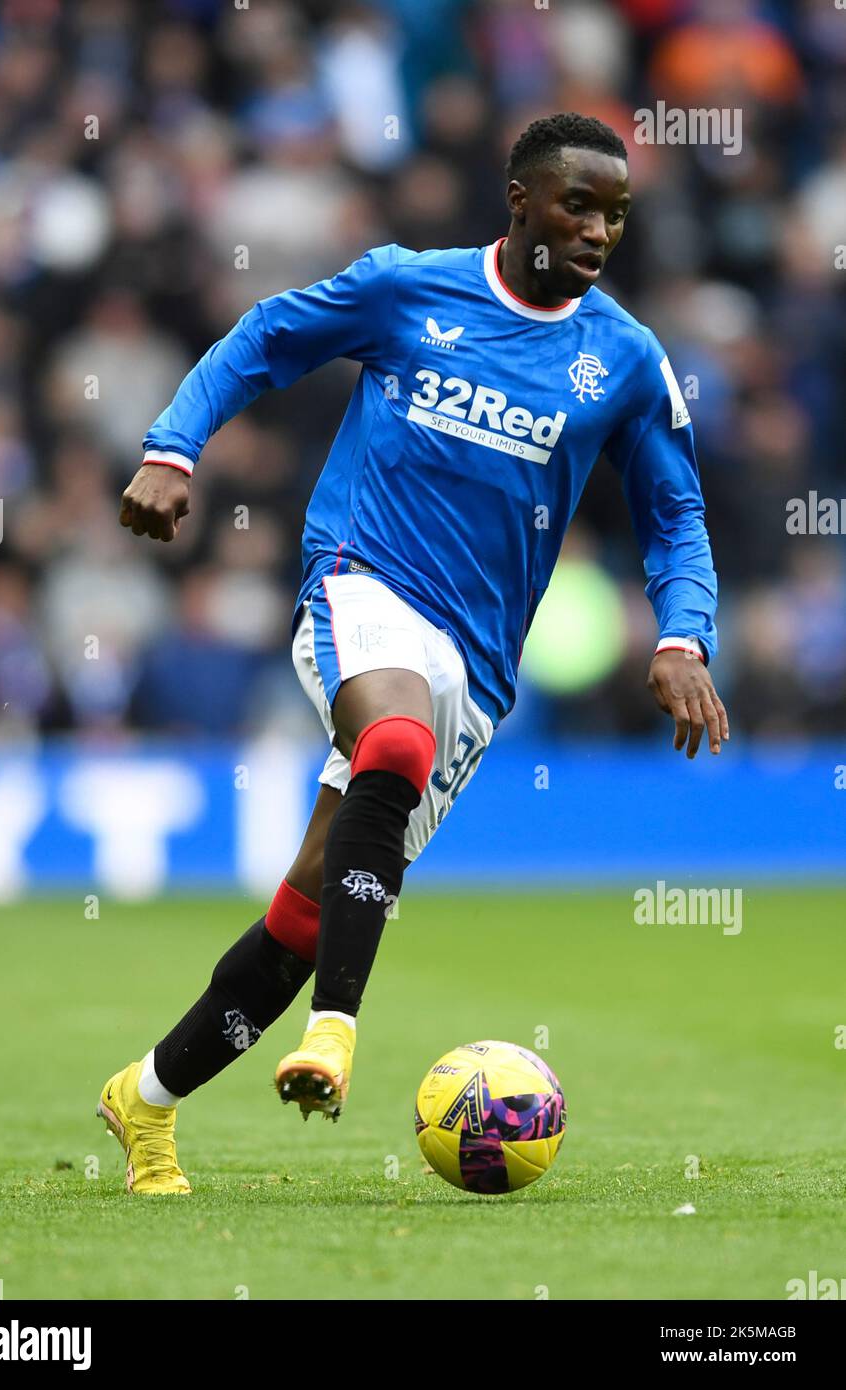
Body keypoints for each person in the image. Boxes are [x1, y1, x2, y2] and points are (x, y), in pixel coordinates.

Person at [98, 112, 729, 1195]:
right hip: (362, 581)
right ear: (520, 198)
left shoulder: (622, 357)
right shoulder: (405, 287)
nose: (598, 230)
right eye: (578, 204)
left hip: (477, 669)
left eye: (616, 214)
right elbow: (262, 340)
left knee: (311, 904)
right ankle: (336, 1035)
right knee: (391, 734)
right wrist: (172, 446)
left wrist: (683, 634)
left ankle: (145, 1100)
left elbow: (676, 515)